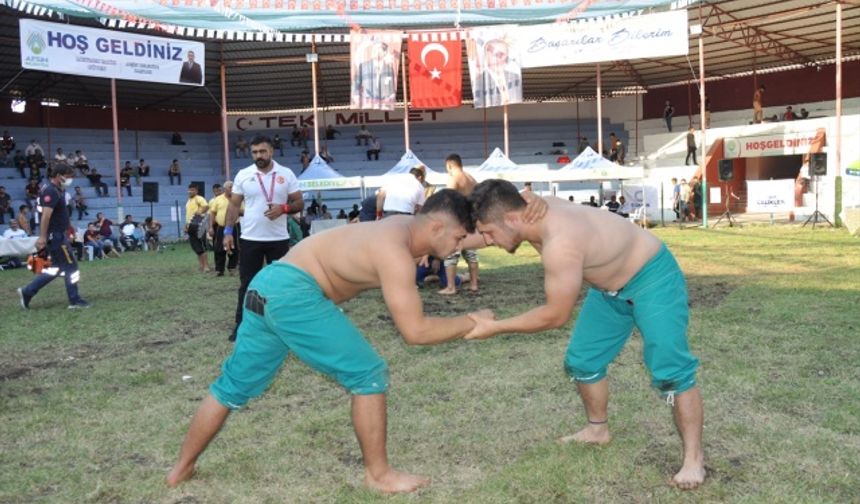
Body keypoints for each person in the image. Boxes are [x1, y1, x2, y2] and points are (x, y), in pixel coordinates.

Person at [166, 190, 494, 493]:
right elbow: (416, 332)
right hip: (293, 294)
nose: (460, 246)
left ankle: (180, 470)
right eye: (458, 238)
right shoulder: (393, 251)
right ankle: (378, 476)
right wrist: (471, 321)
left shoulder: (403, 226)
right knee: (368, 374)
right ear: (436, 226)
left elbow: (453, 237)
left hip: (266, 286)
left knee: (232, 386)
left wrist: (508, 229)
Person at [466, 179, 705, 490]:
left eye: (488, 233)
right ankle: (597, 429)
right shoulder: (524, 206)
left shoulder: (560, 243)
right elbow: (488, 223)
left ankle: (693, 459)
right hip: (609, 291)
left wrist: (496, 327)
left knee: (671, 370)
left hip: (651, 278)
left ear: (512, 219)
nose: (486, 241)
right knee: (583, 361)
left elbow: (555, 316)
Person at [223, 135, 304, 342]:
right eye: (255, 152)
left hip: (278, 239)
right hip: (250, 238)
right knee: (247, 284)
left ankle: (286, 325)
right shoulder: (243, 175)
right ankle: (242, 326)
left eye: (262, 151)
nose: (258, 156)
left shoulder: (286, 174)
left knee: (282, 284)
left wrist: (284, 208)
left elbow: (299, 203)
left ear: (271, 151)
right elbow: (233, 205)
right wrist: (227, 232)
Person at [17, 164, 90, 310]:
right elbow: (46, 216)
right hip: (55, 236)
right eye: (68, 176)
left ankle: (27, 291)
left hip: (57, 234)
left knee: (56, 268)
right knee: (71, 266)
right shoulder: (51, 191)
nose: (70, 180)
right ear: (58, 175)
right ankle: (74, 300)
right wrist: (42, 237)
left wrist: (69, 226)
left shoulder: (56, 190)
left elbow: (58, 213)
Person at [440, 154, 479, 295]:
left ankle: (451, 287)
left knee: (451, 254)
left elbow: (448, 201)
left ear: (450, 165)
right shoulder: (471, 178)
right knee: (471, 254)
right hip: (470, 220)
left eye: (447, 168)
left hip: (457, 221)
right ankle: (474, 284)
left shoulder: (454, 178)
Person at [472, 38, 522, 108]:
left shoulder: (515, 77)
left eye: (503, 55)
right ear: (486, 56)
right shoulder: (479, 82)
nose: (499, 59)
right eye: (496, 55)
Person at [351, 40, 397, 109]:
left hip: (383, 105)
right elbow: (355, 84)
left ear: (384, 52)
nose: (375, 51)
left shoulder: (389, 70)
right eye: (374, 49)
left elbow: (391, 89)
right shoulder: (363, 67)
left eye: (378, 49)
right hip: (366, 104)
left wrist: (389, 99)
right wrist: (357, 98)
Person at [208, 181, 238, 276]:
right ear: (225, 189)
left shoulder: (237, 198)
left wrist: (235, 210)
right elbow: (212, 213)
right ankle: (219, 270)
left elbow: (243, 211)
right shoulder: (217, 200)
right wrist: (211, 227)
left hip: (234, 227)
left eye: (233, 187)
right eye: (230, 187)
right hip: (220, 227)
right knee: (219, 248)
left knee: (235, 248)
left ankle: (232, 268)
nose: (232, 189)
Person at [185, 184, 210, 272]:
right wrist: (186, 226)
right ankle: (201, 266)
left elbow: (206, 206)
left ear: (196, 191)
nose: (190, 191)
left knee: (202, 246)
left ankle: (206, 267)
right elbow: (188, 215)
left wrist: (198, 214)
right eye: (189, 190)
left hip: (198, 225)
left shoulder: (199, 198)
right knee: (196, 246)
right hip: (190, 226)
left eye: (192, 190)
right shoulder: (188, 201)